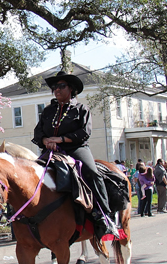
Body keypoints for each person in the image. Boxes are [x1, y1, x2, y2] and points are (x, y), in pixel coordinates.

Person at [32, 70, 116, 239]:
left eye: (61, 86)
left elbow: (84, 132)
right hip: (50, 150)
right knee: (30, 174)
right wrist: (46, 140)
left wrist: (61, 139)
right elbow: (37, 131)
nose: (57, 90)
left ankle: (104, 215)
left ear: (71, 89)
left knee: (92, 173)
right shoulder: (48, 111)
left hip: (75, 149)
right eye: (55, 87)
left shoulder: (81, 109)